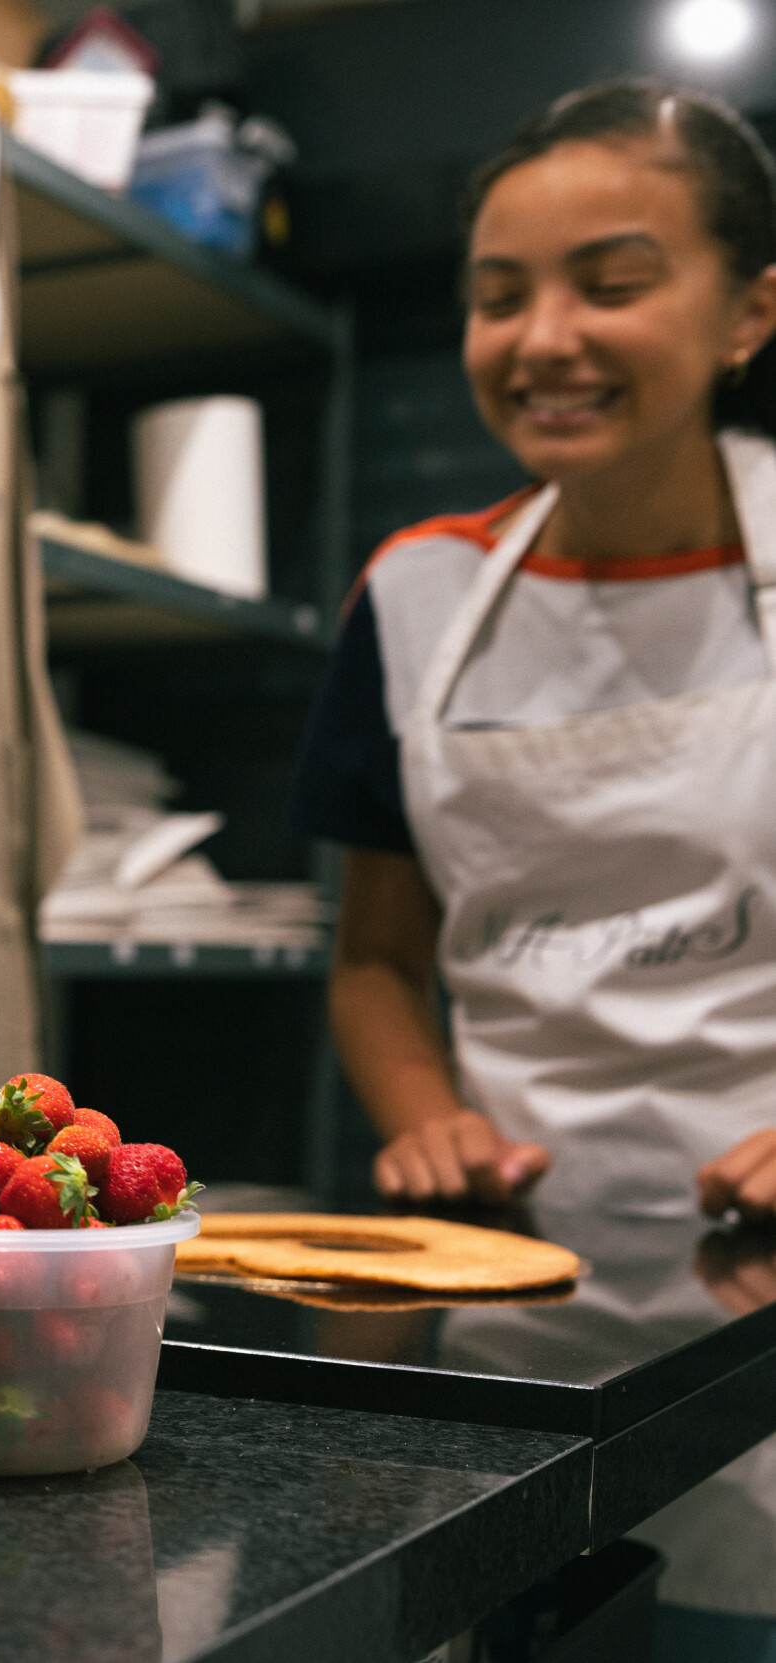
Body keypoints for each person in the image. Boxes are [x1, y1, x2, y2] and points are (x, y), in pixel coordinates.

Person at [288, 81, 776, 1221]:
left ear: (749, 314)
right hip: (521, 1261)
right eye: (499, 297)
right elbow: (375, 962)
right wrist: (429, 1120)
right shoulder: (414, 592)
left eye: (611, 286)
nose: (544, 340)